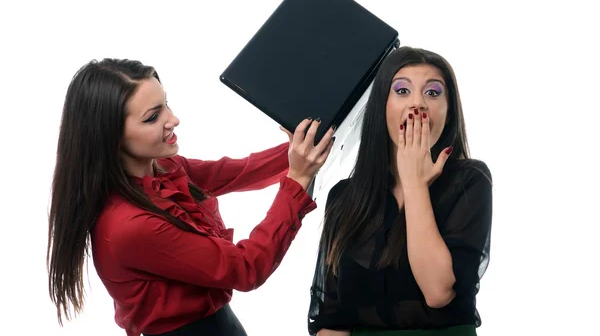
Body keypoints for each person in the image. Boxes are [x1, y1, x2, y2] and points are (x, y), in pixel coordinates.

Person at [46, 58, 335, 336]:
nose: (174, 120)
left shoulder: (165, 168)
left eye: (166, 104)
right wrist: (297, 179)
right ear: (110, 135)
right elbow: (246, 268)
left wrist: (302, 149)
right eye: (152, 117)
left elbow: (237, 172)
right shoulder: (128, 227)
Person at [307, 46, 493, 336]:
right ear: (382, 104)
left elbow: (438, 292)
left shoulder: (470, 181)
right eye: (403, 91)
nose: (417, 104)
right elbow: (332, 321)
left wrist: (414, 182)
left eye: (432, 93)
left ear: (449, 110)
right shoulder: (344, 197)